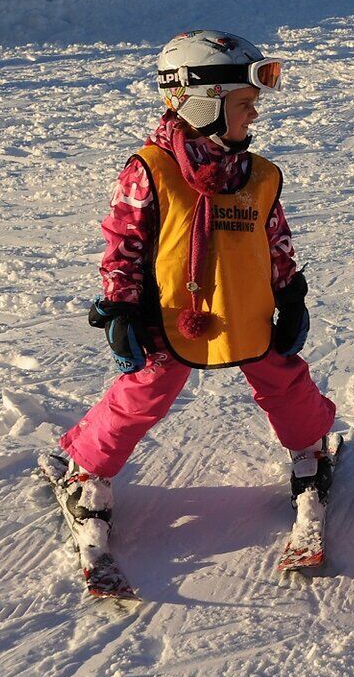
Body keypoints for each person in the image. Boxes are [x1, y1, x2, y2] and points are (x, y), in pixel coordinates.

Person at [43, 31, 338, 557]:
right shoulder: (151, 170)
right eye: (244, 104)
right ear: (203, 105)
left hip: (247, 310)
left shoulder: (261, 174)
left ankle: (311, 450)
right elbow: (125, 242)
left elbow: (276, 241)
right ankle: (86, 468)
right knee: (146, 391)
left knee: (284, 380)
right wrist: (121, 307)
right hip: (175, 314)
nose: (254, 116)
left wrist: (290, 296)